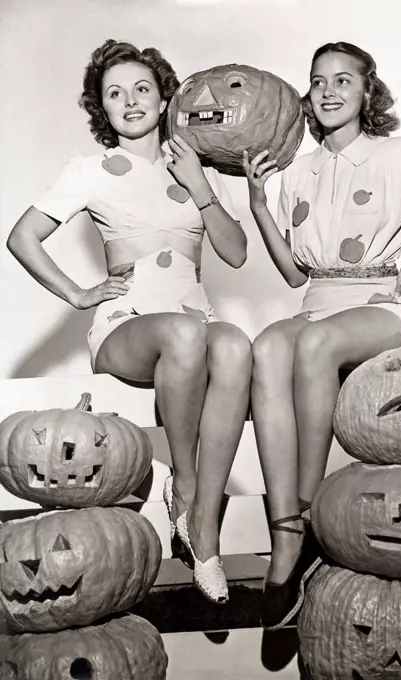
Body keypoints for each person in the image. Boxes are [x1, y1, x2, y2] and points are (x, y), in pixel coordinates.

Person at [242, 41, 401, 629]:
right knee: (266, 346)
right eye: (318, 81)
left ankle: (307, 524)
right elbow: (293, 274)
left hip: (384, 303)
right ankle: (285, 531)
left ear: (368, 92)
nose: (329, 91)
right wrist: (259, 204)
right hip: (317, 304)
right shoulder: (297, 173)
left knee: (313, 344)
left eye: (344, 80)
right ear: (308, 95)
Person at [7, 39, 253, 604]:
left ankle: (203, 535)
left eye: (143, 88)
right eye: (114, 93)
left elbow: (236, 253)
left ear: (166, 97)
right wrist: (78, 293)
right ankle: (185, 490)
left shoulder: (196, 165)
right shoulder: (88, 170)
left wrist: (200, 186)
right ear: (102, 108)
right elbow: (22, 236)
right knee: (184, 333)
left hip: (195, 316)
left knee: (236, 344)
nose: (130, 100)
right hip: (128, 322)